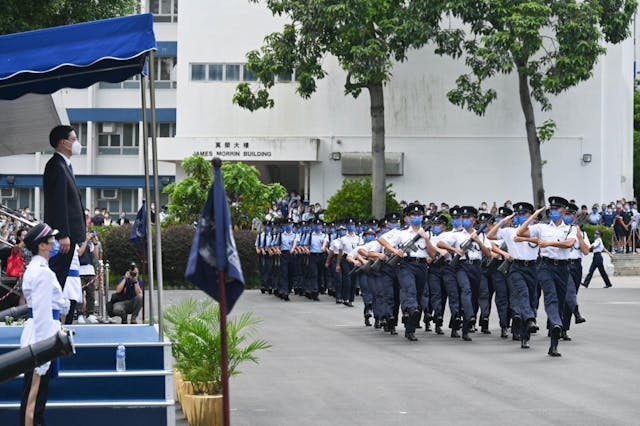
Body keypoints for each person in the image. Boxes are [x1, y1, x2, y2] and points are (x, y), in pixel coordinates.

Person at [19, 223, 68, 426]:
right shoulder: (42, 272)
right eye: (51, 240)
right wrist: (43, 353)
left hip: (43, 333)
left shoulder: (39, 269)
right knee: (33, 403)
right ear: (42, 245)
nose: (55, 243)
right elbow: (42, 314)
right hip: (41, 337)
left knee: (37, 399)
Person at [43, 125, 86, 289]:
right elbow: (58, 203)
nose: (77, 144)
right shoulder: (56, 166)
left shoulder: (64, 165)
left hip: (70, 234)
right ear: (63, 143)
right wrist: (63, 234)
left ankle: (56, 312)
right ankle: (50, 313)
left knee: (60, 279)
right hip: (63, 236)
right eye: (74, 140)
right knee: (56, 278)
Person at [77, 231, 99, 323]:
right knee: (79, 295)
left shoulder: (90, 244)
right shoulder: (77, 243)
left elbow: (96, 255)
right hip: (79, 270)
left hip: (90, 270)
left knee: (91, 294)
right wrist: (86, 241)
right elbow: (80, 253)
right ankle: (80, 314)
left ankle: (90, 313)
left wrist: (95, 243)